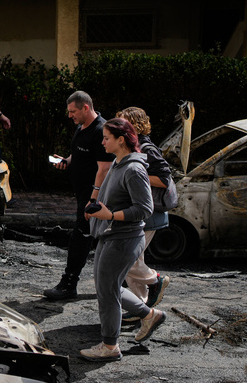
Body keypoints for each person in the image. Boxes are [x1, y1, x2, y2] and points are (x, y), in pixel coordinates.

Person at [80, 118, 167, 362]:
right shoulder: (119, 163)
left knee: (107, 291)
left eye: (106, 137)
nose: (102, 141)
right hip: (110, 236)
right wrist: (95, 205)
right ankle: (149, 315)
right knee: (106, 286)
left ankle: (110, 346)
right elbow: (113, 196)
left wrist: (111, 215)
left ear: (121, 140)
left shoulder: (134, 169)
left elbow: (145, 209)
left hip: (124, 239)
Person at [43, 91, 114, 300]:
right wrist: (67, 160)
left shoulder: (101, 130)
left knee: (81, 238)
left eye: (73, 111)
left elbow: (105, 168)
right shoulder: (81, 128)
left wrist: (93, 199)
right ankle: (127, 282)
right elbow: (80, 153)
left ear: (85, 107)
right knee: (90, 237)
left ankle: (69, 284)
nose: (70, 115)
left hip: (93, 194)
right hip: (82, 191)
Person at [117, 107, 171, 309]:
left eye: (123, 123)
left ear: (135, 125)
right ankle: (141, 306)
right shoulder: (132, 147)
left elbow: (165, 179)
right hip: (138, 213)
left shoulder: (147, 148)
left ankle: (156, 281)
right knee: (132, 261)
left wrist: (135, 173)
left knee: (129, 262)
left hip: (149, 214)